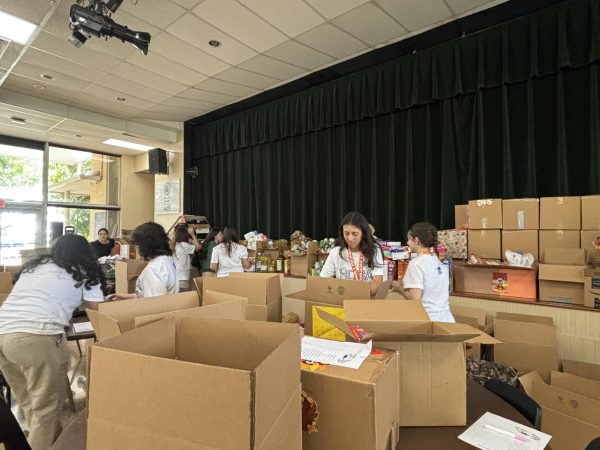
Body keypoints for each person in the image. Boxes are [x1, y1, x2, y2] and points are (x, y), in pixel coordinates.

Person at [0, 234, 107, 450]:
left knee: (30, 403)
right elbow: (97, 308)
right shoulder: (84, 270)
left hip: (3, 336)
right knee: (45, 409)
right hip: (37, 338)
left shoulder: (35, 266)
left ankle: (52, 443)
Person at [398, 222, 455, 323]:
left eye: (409, 239)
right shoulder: (439, 262)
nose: (407, 243)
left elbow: (414, 300)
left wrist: (398, 288)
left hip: (429, 321)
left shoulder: (416, 264)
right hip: (447, 320)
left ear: (416, 241)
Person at [320, 212, 384, 296]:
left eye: (355, 234)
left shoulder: (374, 250)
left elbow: (377, 282)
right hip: (342, 301)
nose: (350, 238)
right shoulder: (335, 252)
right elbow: (323, 280)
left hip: (366, 302)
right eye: (346, 233)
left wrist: (358, 296)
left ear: (363, 233)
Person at [112, 222, 178, 299]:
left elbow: (154, 303)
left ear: (145, 246)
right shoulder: (167, 260)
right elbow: (146, 295)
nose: (137, 248)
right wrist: (124, 296)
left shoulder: (153, 270)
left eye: (137, 245)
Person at [171, 224, 201, 291]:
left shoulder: (176, 244)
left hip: (176, 276)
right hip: (182, 278)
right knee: (182, 299)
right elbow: (198, 247)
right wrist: (192, 234)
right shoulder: (184, 245)